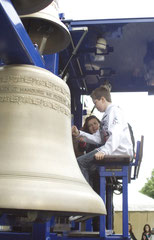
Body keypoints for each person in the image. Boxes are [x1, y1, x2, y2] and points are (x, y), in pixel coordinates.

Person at [73, 84, 133, 185]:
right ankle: (92, 196)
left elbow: (116, 134)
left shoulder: (114, 111)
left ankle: (88, 198)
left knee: (80, 163)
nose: (95, 107)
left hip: (119, 151)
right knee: (90, 169)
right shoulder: (106, 115)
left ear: (102, 99)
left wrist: (105, 151)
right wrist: (79, 134)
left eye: (95, 103)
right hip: (113, 150)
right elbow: (98, 138)